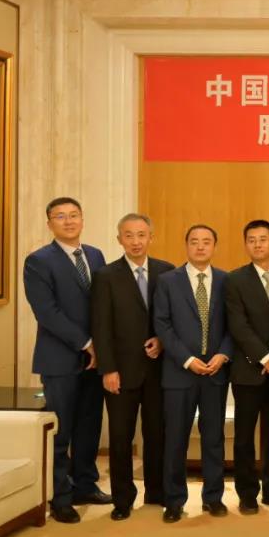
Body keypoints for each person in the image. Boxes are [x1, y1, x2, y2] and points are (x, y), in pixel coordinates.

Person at [23, 197, 110, 523]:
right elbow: (47, 313)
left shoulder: (95, 255)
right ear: (50, 224)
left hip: (96, 359)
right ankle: (60, 496)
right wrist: (87, 344)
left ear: (82, 220)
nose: (69, 221)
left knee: (89, 426)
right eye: (60, 216)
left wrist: (102, 346)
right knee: (61, 431)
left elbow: (103, 303)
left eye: (74, 215)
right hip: (60, 359)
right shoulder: (38, 261)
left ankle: (85, 485)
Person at [91, 213, 174, 520]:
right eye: (129, 235)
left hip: (158, 370)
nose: (136, 241)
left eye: (141, 235)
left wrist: (162, 341)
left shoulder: (167, 271)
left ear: (151, 237)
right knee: (120, 438)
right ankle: (122, 499)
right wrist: (108, 369)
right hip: (120, 372)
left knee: (157, 434)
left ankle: (157, 492)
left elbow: (173, 318)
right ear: (119, 239)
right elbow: (100, 326)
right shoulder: (105, 276)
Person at [154, 224, 233, 523]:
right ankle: (174, 501)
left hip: (215, 371)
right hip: (179, 373)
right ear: (186, 245)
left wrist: (223, 354)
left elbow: (234, 324)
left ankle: (213, 498)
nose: (200, 247)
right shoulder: (168, 281)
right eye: (194, 242)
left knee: (213, 438)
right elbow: (162, 324)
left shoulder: (226, 280)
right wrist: (187, 359)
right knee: (175, 439)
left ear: (214, 246)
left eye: (206, 242)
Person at [224, 219, 269, 514]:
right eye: (251, 240)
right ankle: (247, 494)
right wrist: (266, 357)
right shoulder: (234, 280)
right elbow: (238, 325)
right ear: (246, 245)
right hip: (248, 370)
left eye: (263, 239)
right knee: (244, 436)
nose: (257, 244)